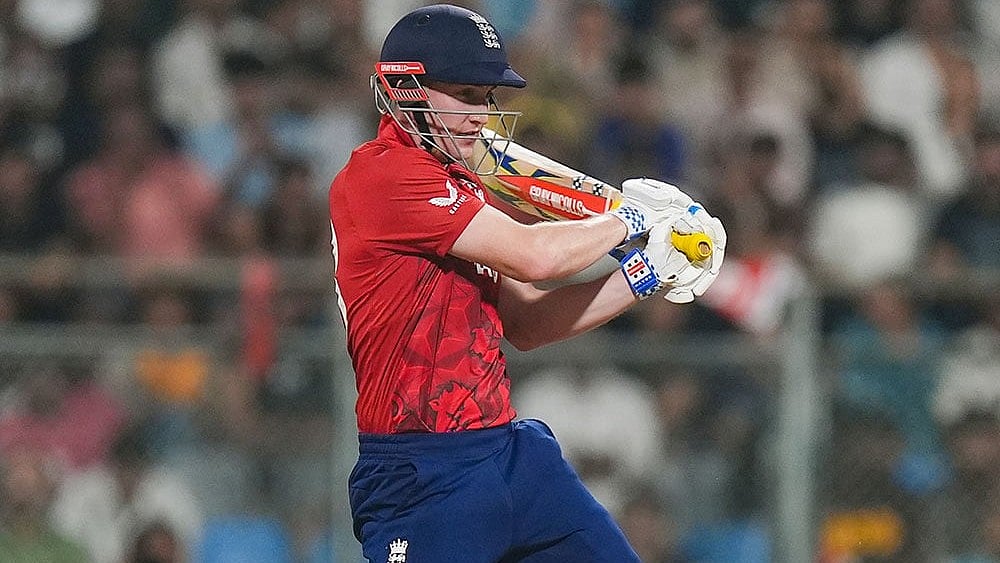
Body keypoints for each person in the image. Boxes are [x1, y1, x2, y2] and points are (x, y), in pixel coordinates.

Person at [328, 5, 726, 562]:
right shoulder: (381, 177)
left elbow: (529, 323)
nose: (480, 115)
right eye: (464, 94)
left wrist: (647, 272)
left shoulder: (463, 186)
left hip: (511, 455)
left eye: (485, 97)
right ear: (403, 88)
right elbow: (535, 256)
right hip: (421, 471)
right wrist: (633, 216)